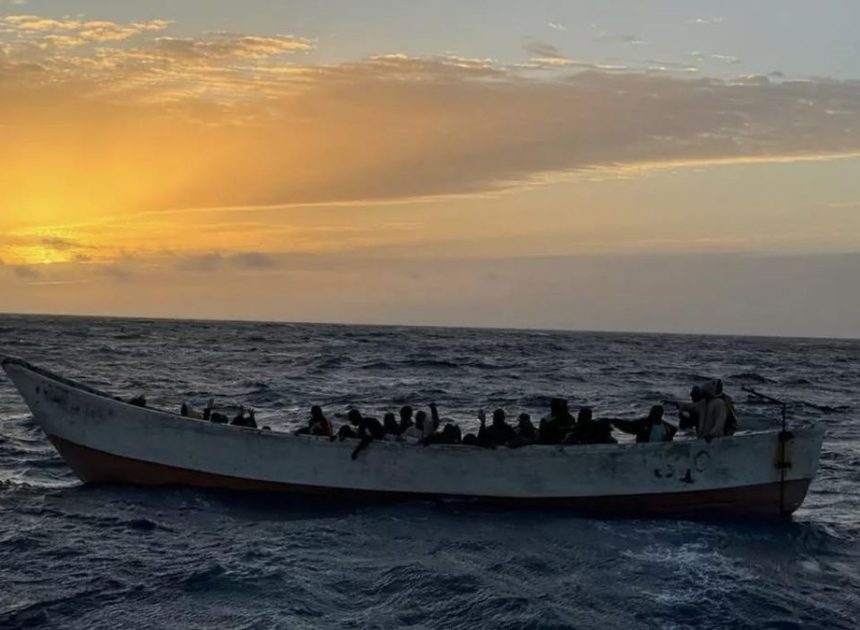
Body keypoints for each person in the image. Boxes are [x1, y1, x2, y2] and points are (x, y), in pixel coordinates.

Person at [611, 405, 677, 443]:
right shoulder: (643, 424)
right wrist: (614, 422)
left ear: (661, 414)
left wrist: (669, 438)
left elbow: (674, 429)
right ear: (651, 413)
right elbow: (628, 426)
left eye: (658, 413)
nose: (656, 415)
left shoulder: (665, 426)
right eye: (655, 413)